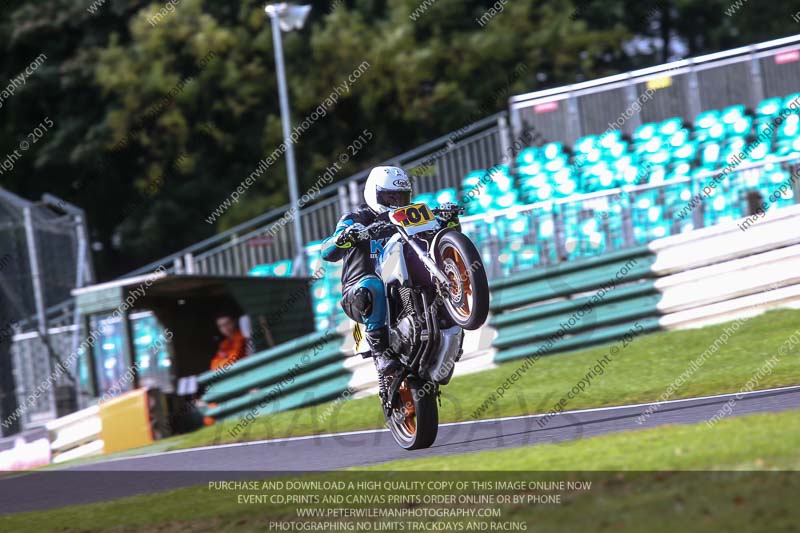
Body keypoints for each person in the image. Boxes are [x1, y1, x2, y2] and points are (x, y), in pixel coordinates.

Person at [321, 166, 414, 380]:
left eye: (402, 197)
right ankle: (381, 353)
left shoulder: (407, 216)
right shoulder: (355, 219)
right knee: (373, 284)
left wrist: (448, 219)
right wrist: (345, 237)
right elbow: (327, 251)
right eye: (390, 196)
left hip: (399, 289)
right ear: (374, 194)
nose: (396, 203)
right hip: (359, 293)